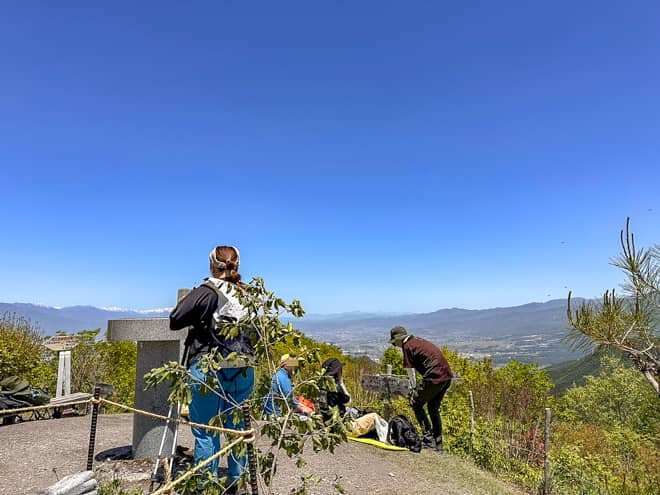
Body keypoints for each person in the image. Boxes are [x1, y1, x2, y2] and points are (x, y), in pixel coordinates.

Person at [169, 245, 256, 491]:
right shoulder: (249, 294)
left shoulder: (206, 292)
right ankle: (238, 483)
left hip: (208, 367)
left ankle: (207, 486)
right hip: (244, 367)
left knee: (207, 430)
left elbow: (176, 319)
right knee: (238, 427)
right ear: (237, 266)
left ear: (211, 266)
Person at [389, 326, 452, 452]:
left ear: (399, 339)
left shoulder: (407, 346)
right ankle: (438, 444)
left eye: (394, 343)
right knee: (433, 408)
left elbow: (410, 370)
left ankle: (428, 440)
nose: (394, 346)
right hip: (446, 377)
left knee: (416, 404)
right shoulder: (418, 341)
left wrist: (413, 388)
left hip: (434, 377)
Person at [319, 358, 389, 442]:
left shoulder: (320, 388)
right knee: (374, 416)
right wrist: (341, 382)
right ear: (337, 372)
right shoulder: (335, 390)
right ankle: (386, 439)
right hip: (343, 429)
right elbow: (349, 401)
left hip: (328, 427)